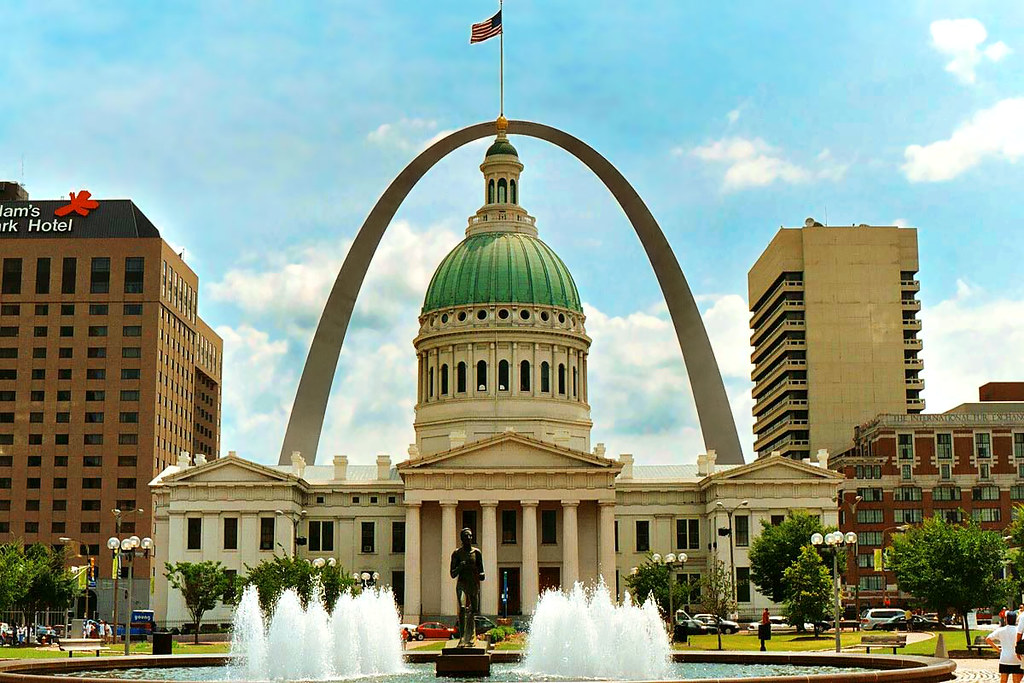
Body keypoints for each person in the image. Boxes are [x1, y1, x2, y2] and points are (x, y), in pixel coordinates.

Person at [987, 610, 1023, 683]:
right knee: (1016, 680)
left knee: (1003, 680)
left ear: (1006, 619)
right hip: (1016, 659)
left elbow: (988, 639)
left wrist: (997, 649)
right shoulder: (1018, 631)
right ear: (1016, 619)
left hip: (1004, 658)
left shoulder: (1001, 630)